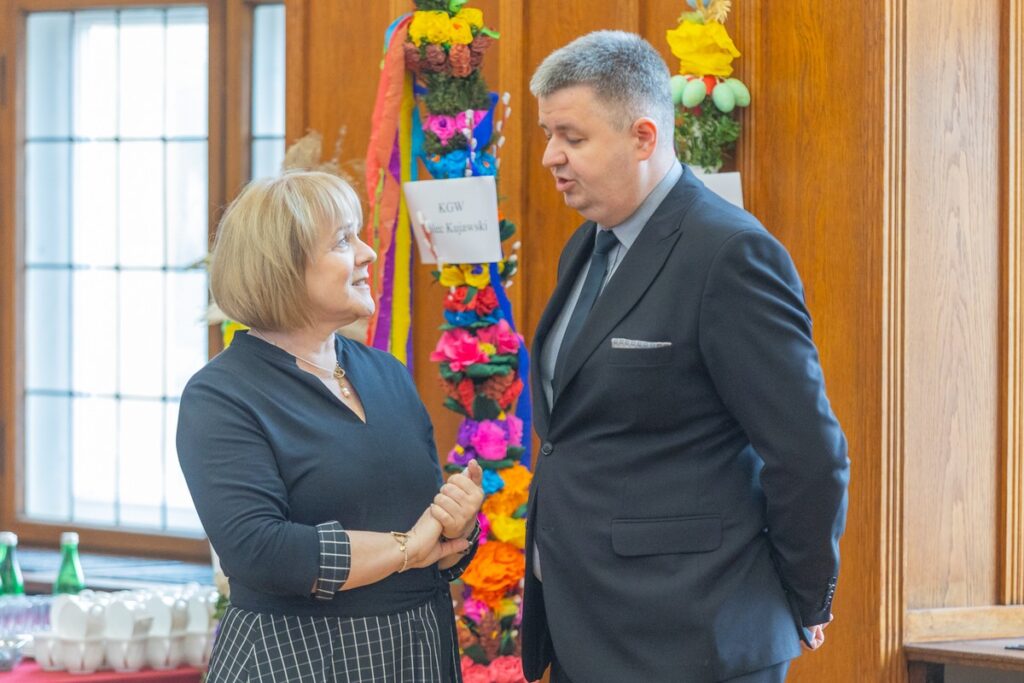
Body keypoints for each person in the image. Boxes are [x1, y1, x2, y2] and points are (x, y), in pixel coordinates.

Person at [522, 31, 850, 683]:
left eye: (572, 137)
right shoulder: (585, 248)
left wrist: (803, 593)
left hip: (692, 637)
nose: (550, 157)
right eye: (546, 134)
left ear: (644, 137)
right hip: (589, 625)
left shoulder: (729, 255)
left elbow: (809, 452)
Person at [177, 170, 484, 683]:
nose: (367, 254)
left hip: (417, 649)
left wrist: (458, 523)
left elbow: (432, 535)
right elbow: (263, 552)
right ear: (282, 267)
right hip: (298, 657)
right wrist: (407, 548)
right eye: (344, 241)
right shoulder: (222, 395)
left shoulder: (385, 373)